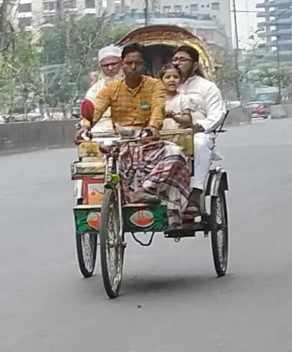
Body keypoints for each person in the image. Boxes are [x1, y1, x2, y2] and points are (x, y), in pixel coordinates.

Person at [82, 42, 191, 227]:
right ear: (123, 65)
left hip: (147, 141)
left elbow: (158, 108)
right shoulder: (110, 89)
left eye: (137, 63)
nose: (133, 67)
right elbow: (96, 110)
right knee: (103, 163)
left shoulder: (155, 86)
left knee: (176, 154)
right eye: (128, 63)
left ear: (144, 65)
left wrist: (153, 127)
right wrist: (85, 126)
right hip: (121, 143)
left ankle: (146, 189)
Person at [170, 45, 225, 215]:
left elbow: (217, 113)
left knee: (199, 142)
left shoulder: (207, 87)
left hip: (198, 132)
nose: (178, 63)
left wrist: (199, 126)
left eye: (183, 60)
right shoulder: (164, 84)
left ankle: (196, 192)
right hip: (168, 132)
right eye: (175, 59)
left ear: (194, 65)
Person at [81, 45, 124, 132]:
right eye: (105, 65)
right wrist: (85, 126)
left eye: (113, 64)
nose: (110, 68)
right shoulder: (94, 90)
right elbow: (89, 115)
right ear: (100, 67)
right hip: (99, 130)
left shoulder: (132, 84)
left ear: (122, 63)